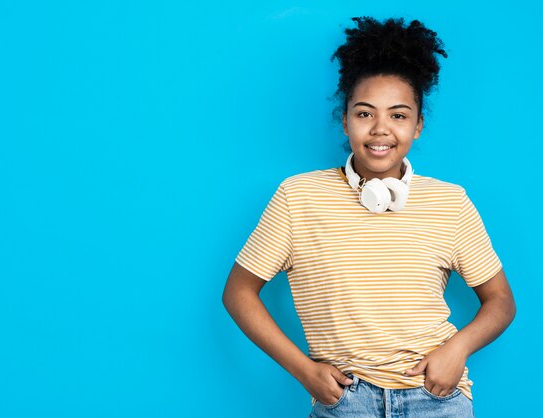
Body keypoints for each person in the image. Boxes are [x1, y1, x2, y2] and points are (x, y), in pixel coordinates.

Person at [221, 16, 516, 418]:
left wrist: (457, 348)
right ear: (345, 121)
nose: (381, 129)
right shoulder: (298, 196)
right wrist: (304, 371)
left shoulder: (451, 202)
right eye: (364, 114)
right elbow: (238, 292)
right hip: (345, 400)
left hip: (436, 398)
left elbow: (500, 301)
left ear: (418, 126)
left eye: (398, 115)